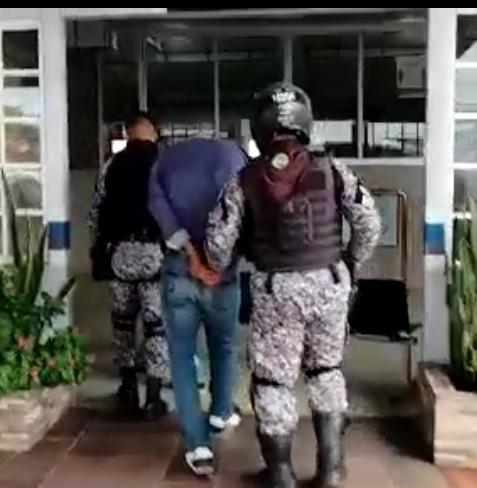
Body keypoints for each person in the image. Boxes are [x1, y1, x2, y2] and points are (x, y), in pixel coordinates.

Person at [204, 83, 381, 488]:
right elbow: (369, 224)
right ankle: (331, 469)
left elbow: (217, 249)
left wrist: (228, 258)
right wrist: (349, 261)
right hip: (330, 280)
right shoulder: (333, 170)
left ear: (260, 127)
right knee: (325, 371)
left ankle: (280, 473)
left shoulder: (243, 180)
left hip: (276, 288)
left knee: (273, 380)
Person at [148, 137, 246, 476]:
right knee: (225, 345)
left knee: (181, 356)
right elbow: (244, 214)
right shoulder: (236, 158)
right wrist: (219, 261)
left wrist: (191, 254)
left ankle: (198, 447)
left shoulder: (165, 161)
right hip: (224, 273)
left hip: (179, 270)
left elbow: (159, 209)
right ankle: (220, 412)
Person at [88, 111, 170, 419]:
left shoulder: (111, 166)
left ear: (128, 133)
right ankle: (154, 395)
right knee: (155, 326)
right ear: (154, 133)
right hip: (155, 254)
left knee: (123, 323)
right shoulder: (164, 164)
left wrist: (99, 248)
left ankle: (127, 387)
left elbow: (95, 213)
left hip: (120, 254)